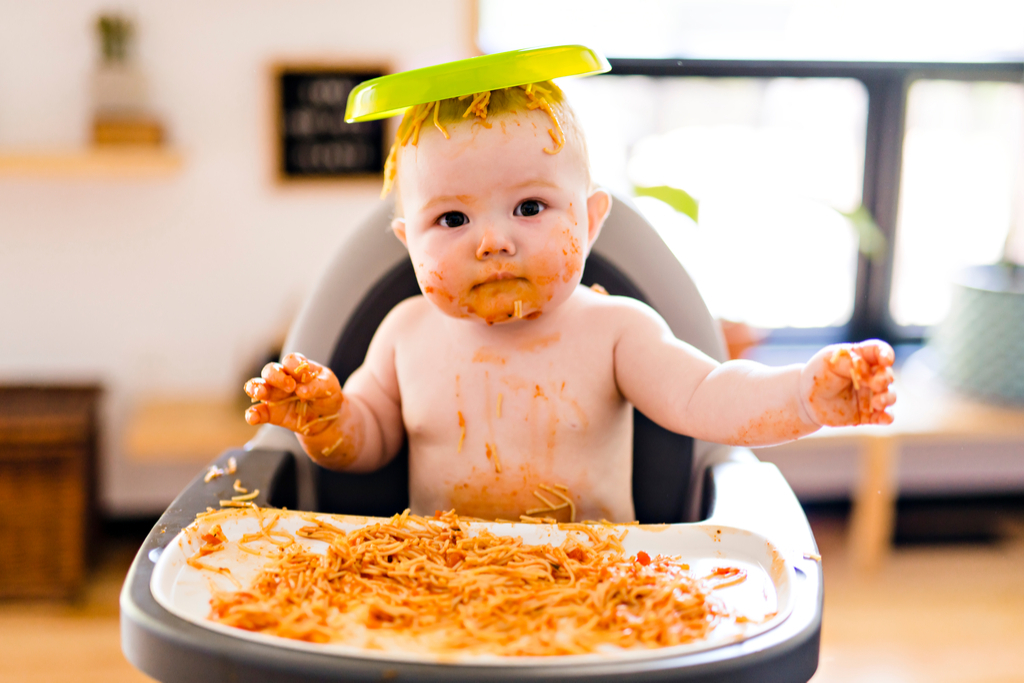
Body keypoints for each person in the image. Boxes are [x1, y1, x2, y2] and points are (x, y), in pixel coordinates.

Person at [244, 81, 896, 523]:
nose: (493, 241)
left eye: (530, 207)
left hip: (599, 587)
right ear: (407, 241)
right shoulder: (404, 334)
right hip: (436, 583)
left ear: (588, 220)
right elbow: (369, 440)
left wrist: (805, 395)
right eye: (450, 219)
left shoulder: (614, 332)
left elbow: (710, 396)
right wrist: (327, 418)